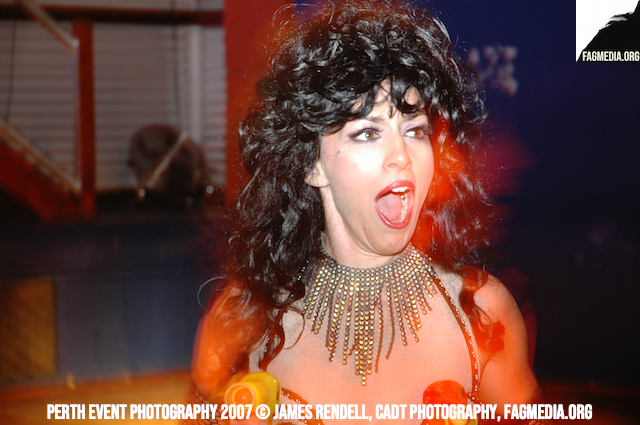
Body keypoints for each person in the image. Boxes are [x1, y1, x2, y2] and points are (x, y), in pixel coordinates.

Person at [190, 0, 541, 423]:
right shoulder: (245, 316)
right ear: (312, 165)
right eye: (368, 133)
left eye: (415, 130)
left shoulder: (483, 314)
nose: (402, 156)